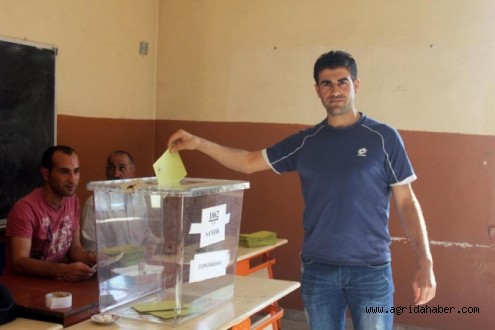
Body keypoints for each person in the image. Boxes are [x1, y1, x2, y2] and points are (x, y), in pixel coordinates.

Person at [167, 50, 436, 330]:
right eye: (326, 84)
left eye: (342, 82)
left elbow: (406, 202)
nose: (335, 90)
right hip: (318, 270)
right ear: (317, 90)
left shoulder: (384, 138)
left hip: (371, 270)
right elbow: (248, 161)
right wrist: (198, 143)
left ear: (356, 85)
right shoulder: (306, 142)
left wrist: (425, 261)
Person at [5, 145, 96, 281]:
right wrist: (62, 270)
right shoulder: (25, 209)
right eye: (64, 172)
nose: (73, 180)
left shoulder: (72, 200)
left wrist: (92, 259)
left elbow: (75, 248)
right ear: (46, 174)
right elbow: (19, 262)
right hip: (24, 287)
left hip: (57, 284)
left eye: (76, 171)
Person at [81, 150, 136, 251]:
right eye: (111, 168)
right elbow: (91, 246)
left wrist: (159, 243)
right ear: (106, 171)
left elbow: (145, 233)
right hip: (110, 264)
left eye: (122, 168)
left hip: (140, 263)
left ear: (132, 172)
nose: (116, 174)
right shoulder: (94, 202)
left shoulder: (140, 199)